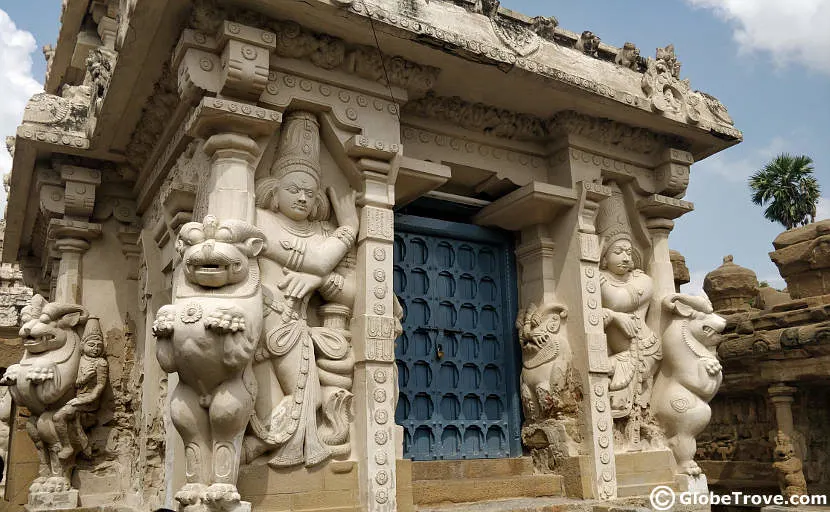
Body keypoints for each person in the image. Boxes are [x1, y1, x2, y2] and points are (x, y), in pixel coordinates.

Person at [246, 111, 359, 467]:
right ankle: (250, 448)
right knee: (256, 399)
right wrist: (350, 227)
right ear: (272, 191)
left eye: (309, 194)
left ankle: (258, 448)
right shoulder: (260, 220)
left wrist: (318, 280)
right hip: (262, 320)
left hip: (291, 327)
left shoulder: (321, 233)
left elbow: (350, 292)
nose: (301, 198)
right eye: (292, 189)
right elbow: (319, 259)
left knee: (308, 403)